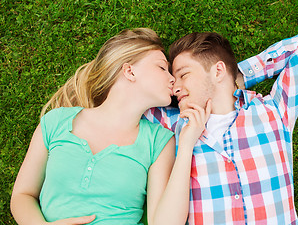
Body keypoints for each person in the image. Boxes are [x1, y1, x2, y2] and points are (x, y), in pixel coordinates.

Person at [10, 28, 211, 225]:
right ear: (129, 71)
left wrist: (185, 147)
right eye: (161, 68)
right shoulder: (56, 122)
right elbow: (22, 194)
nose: (173, 79)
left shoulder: (159, 141)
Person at [143, 32, 298, 224]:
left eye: (183, 75)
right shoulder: (175, 124)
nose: (175, 88)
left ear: (218, 71)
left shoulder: (274, 111)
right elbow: (133, 101)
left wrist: (235, 78)